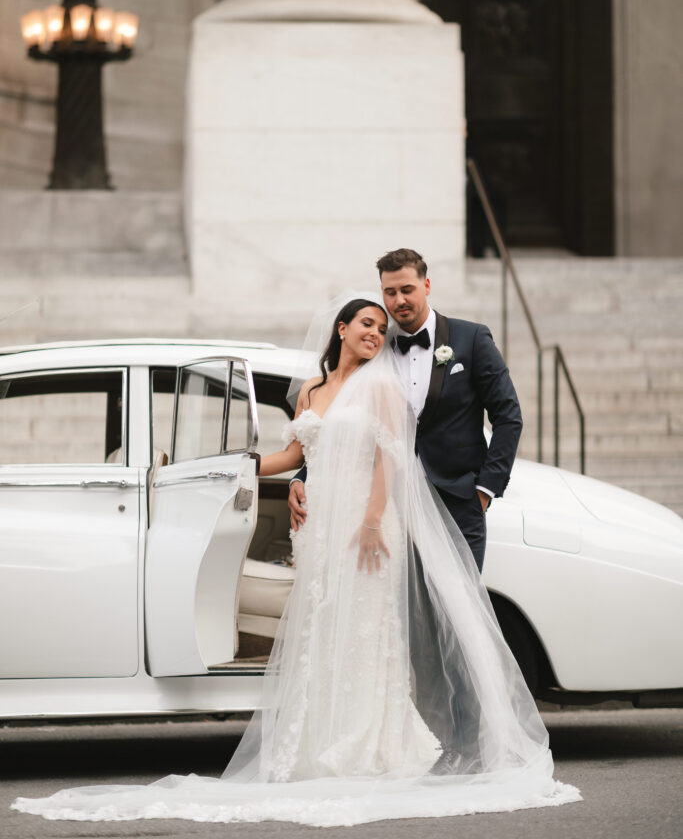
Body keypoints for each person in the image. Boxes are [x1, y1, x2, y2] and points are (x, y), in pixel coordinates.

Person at [12, 297, 579, 827]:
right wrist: (232, 466)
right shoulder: (310, 390)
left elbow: (390, 458)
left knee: (368, 627)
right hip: (325, 524)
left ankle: (375, 741)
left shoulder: (381, 387)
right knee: (323, 625)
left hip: (367, 521)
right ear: (342, 329)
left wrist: (375, 519)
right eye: (367, 325)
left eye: (382, 329)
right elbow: (294, 454)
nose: (376, 334)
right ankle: (319, 738)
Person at [290, 248, 522, 573]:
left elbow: (508, 416)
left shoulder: (471, 339)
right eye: (390, 292)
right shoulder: (376, 345)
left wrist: (483, 491)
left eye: (407, 290)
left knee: (456, 616)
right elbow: (338, 415)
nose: (399, 300)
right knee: (403, 620)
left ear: (426, 285)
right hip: (389, 508)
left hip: (456, 502)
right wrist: (302, 477)